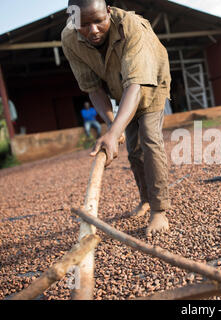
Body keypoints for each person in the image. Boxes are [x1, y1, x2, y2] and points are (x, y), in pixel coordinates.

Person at [62, 0, 172, 235]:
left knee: (150, 141)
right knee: (134, 151)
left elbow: (136, 83)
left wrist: (112, 133)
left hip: (150, 82)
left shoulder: (131, 25)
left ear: (109, 12)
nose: (93, 30)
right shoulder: (69, 39)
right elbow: (92, 87)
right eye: (84, 24)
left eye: (99, 21)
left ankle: (159, 210)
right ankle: (145, 199)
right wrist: (113, 126)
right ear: (73, 21)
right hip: (120, 90)